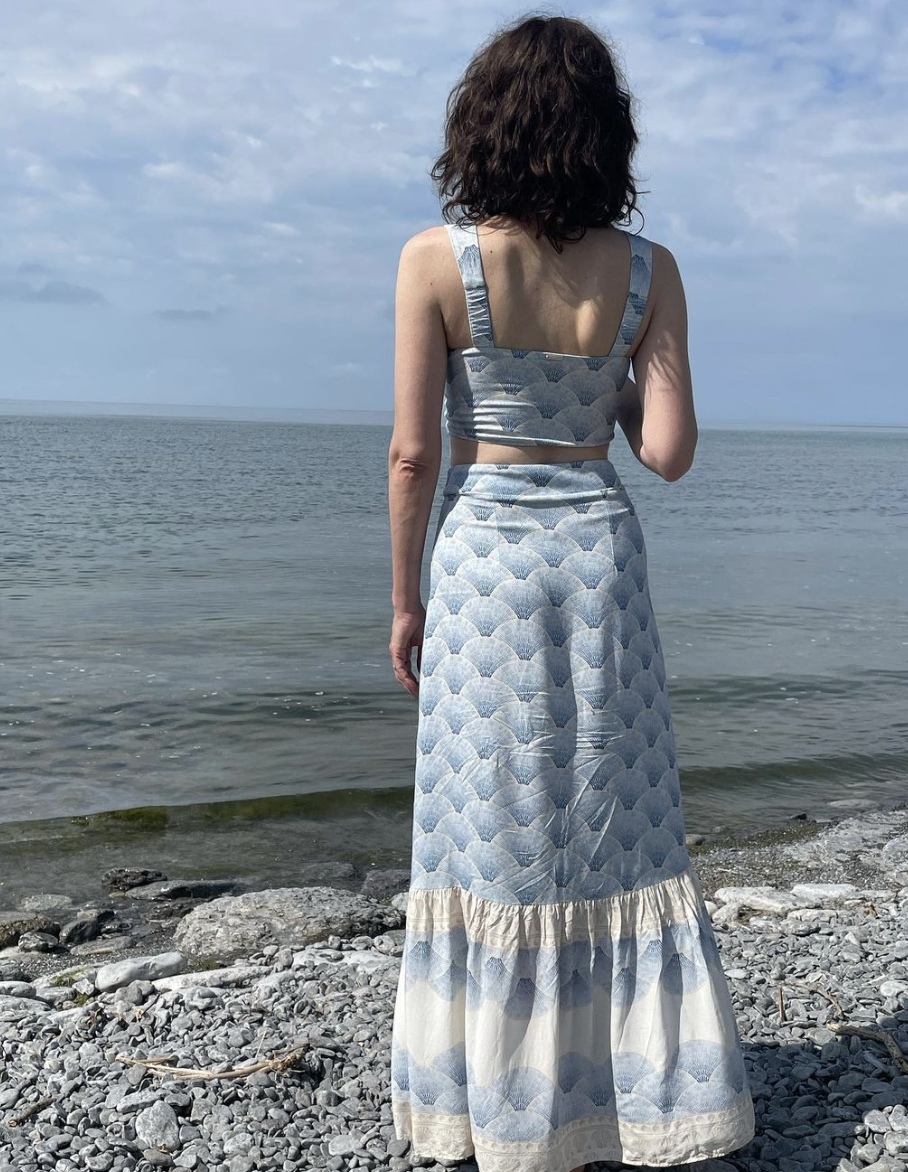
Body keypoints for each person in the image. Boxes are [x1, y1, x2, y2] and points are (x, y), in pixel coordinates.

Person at [386, 14, 756, 1172]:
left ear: (480, 128)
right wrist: (640, 351)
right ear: (606, 137)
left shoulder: (432, 261)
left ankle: (496, 1105)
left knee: (489, 829)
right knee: (611, 819)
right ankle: (631, 1096)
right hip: (596, 549)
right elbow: (668, 450)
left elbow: (411, 457)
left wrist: (403, 602)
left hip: (487, 556)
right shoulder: (646, 271)